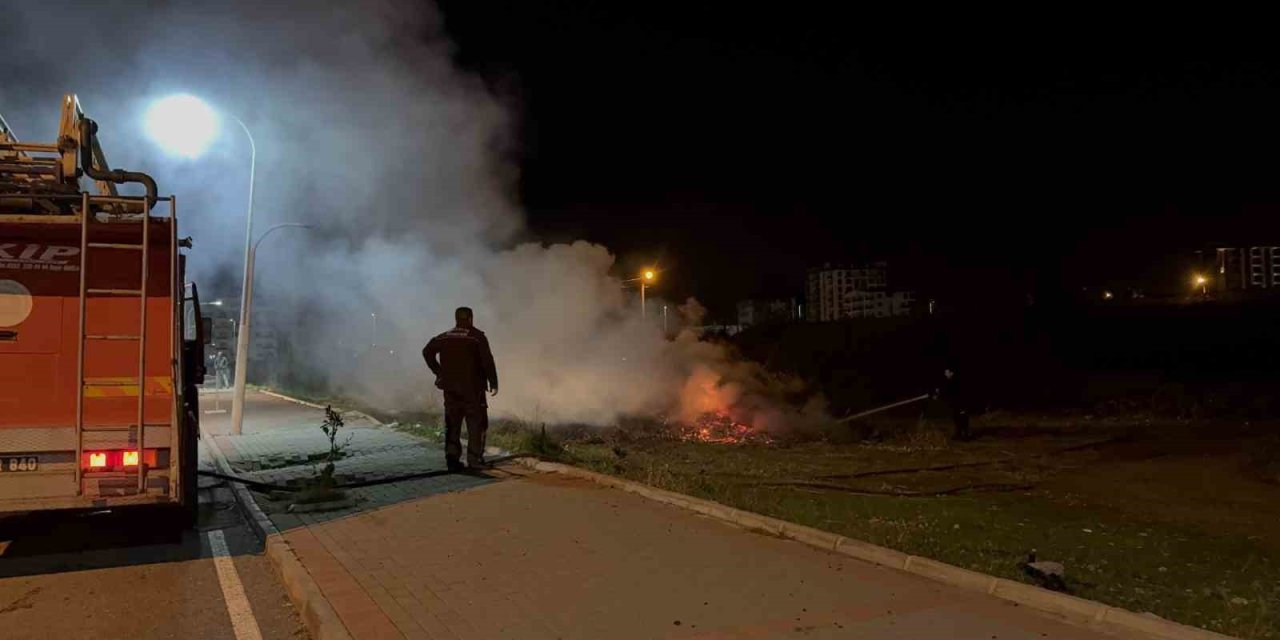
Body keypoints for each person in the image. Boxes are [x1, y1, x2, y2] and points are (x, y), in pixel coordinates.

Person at [422, 307, 499, 471]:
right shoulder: (476, 337)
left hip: (450, 390)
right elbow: (487, 361)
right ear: (471, 318)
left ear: (456, 319)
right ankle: (475, 460)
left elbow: (427, 351)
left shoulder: (444, 337)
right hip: (473, 390)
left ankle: (452, 461)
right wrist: (493, 382)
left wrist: (439, 372)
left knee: (452, 424)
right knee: (475, 425)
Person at [933, 365, 972, 441]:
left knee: (962, 419)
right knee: (957, 419)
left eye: (947, 372)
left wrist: (939, 394)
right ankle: (959, 434)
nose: (945, 374)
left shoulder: (955, 381)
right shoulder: (950, 381)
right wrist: (939, 394)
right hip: (956, 404)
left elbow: (951, 392)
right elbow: (947, 392)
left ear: (951, 373)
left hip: (961, 403)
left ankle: (965, 436)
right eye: (945, 372)